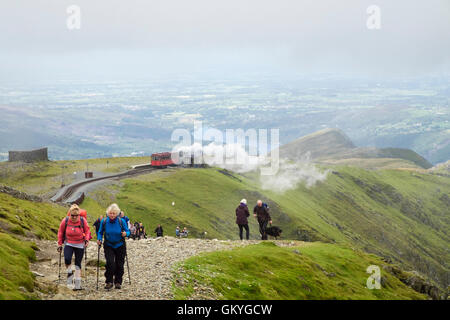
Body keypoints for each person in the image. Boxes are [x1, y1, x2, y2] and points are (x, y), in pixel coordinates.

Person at [97, 203, 130, 290]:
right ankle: (109, 281)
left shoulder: (121, 221)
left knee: (120, 264)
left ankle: (118, 282)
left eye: (114, 213)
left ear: (117, 213)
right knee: (110, 263)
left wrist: (126, 233)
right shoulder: (104, 221)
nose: (112, 215)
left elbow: (128, 231)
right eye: (110, 213)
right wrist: (99, 239)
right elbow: (100, 232)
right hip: (108, 245)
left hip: (120, 245)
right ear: (108, 213)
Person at [57, 204, 91, 290]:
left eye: (76, 215)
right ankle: (69, 273)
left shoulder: (83, 221)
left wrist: (87, 240)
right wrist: (60, 244)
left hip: (80, 244)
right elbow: (60, 232)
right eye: (73, 215)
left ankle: (77, 284)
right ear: (70, 214)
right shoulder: (65, 220)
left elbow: (87, 231)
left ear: (79, 215)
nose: (75, 217)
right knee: (67, 259)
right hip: (68, 243)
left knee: (78, 263)